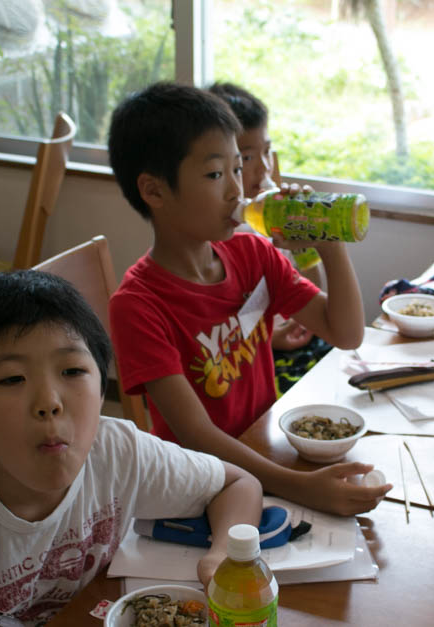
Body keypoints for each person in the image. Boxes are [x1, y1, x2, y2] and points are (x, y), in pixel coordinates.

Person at [0, 271, 262, 626]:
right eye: (12, 379)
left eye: (73, 371)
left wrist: (223, 558)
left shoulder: (117, 452)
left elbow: (236, 485)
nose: (49, 402)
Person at [107, 82, 391, 516]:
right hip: (199, 485)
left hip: (263, 450)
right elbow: (195, 434)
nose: (236, 191)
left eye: (238, 170)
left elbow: (347, 332)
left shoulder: (253, 254)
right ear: (154, 191)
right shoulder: (138, 304)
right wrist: (300, 487)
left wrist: (329, 241)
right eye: (216, 174)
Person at [207, 82, 335, 396]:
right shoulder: (217, 233)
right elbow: (222, 331)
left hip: (288, 335)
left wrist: (304, 243)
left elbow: (312, 286)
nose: (264, 168)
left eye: (267, 151)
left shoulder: (263, 218)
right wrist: (271, 336)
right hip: (248, 363)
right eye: (247, 158)